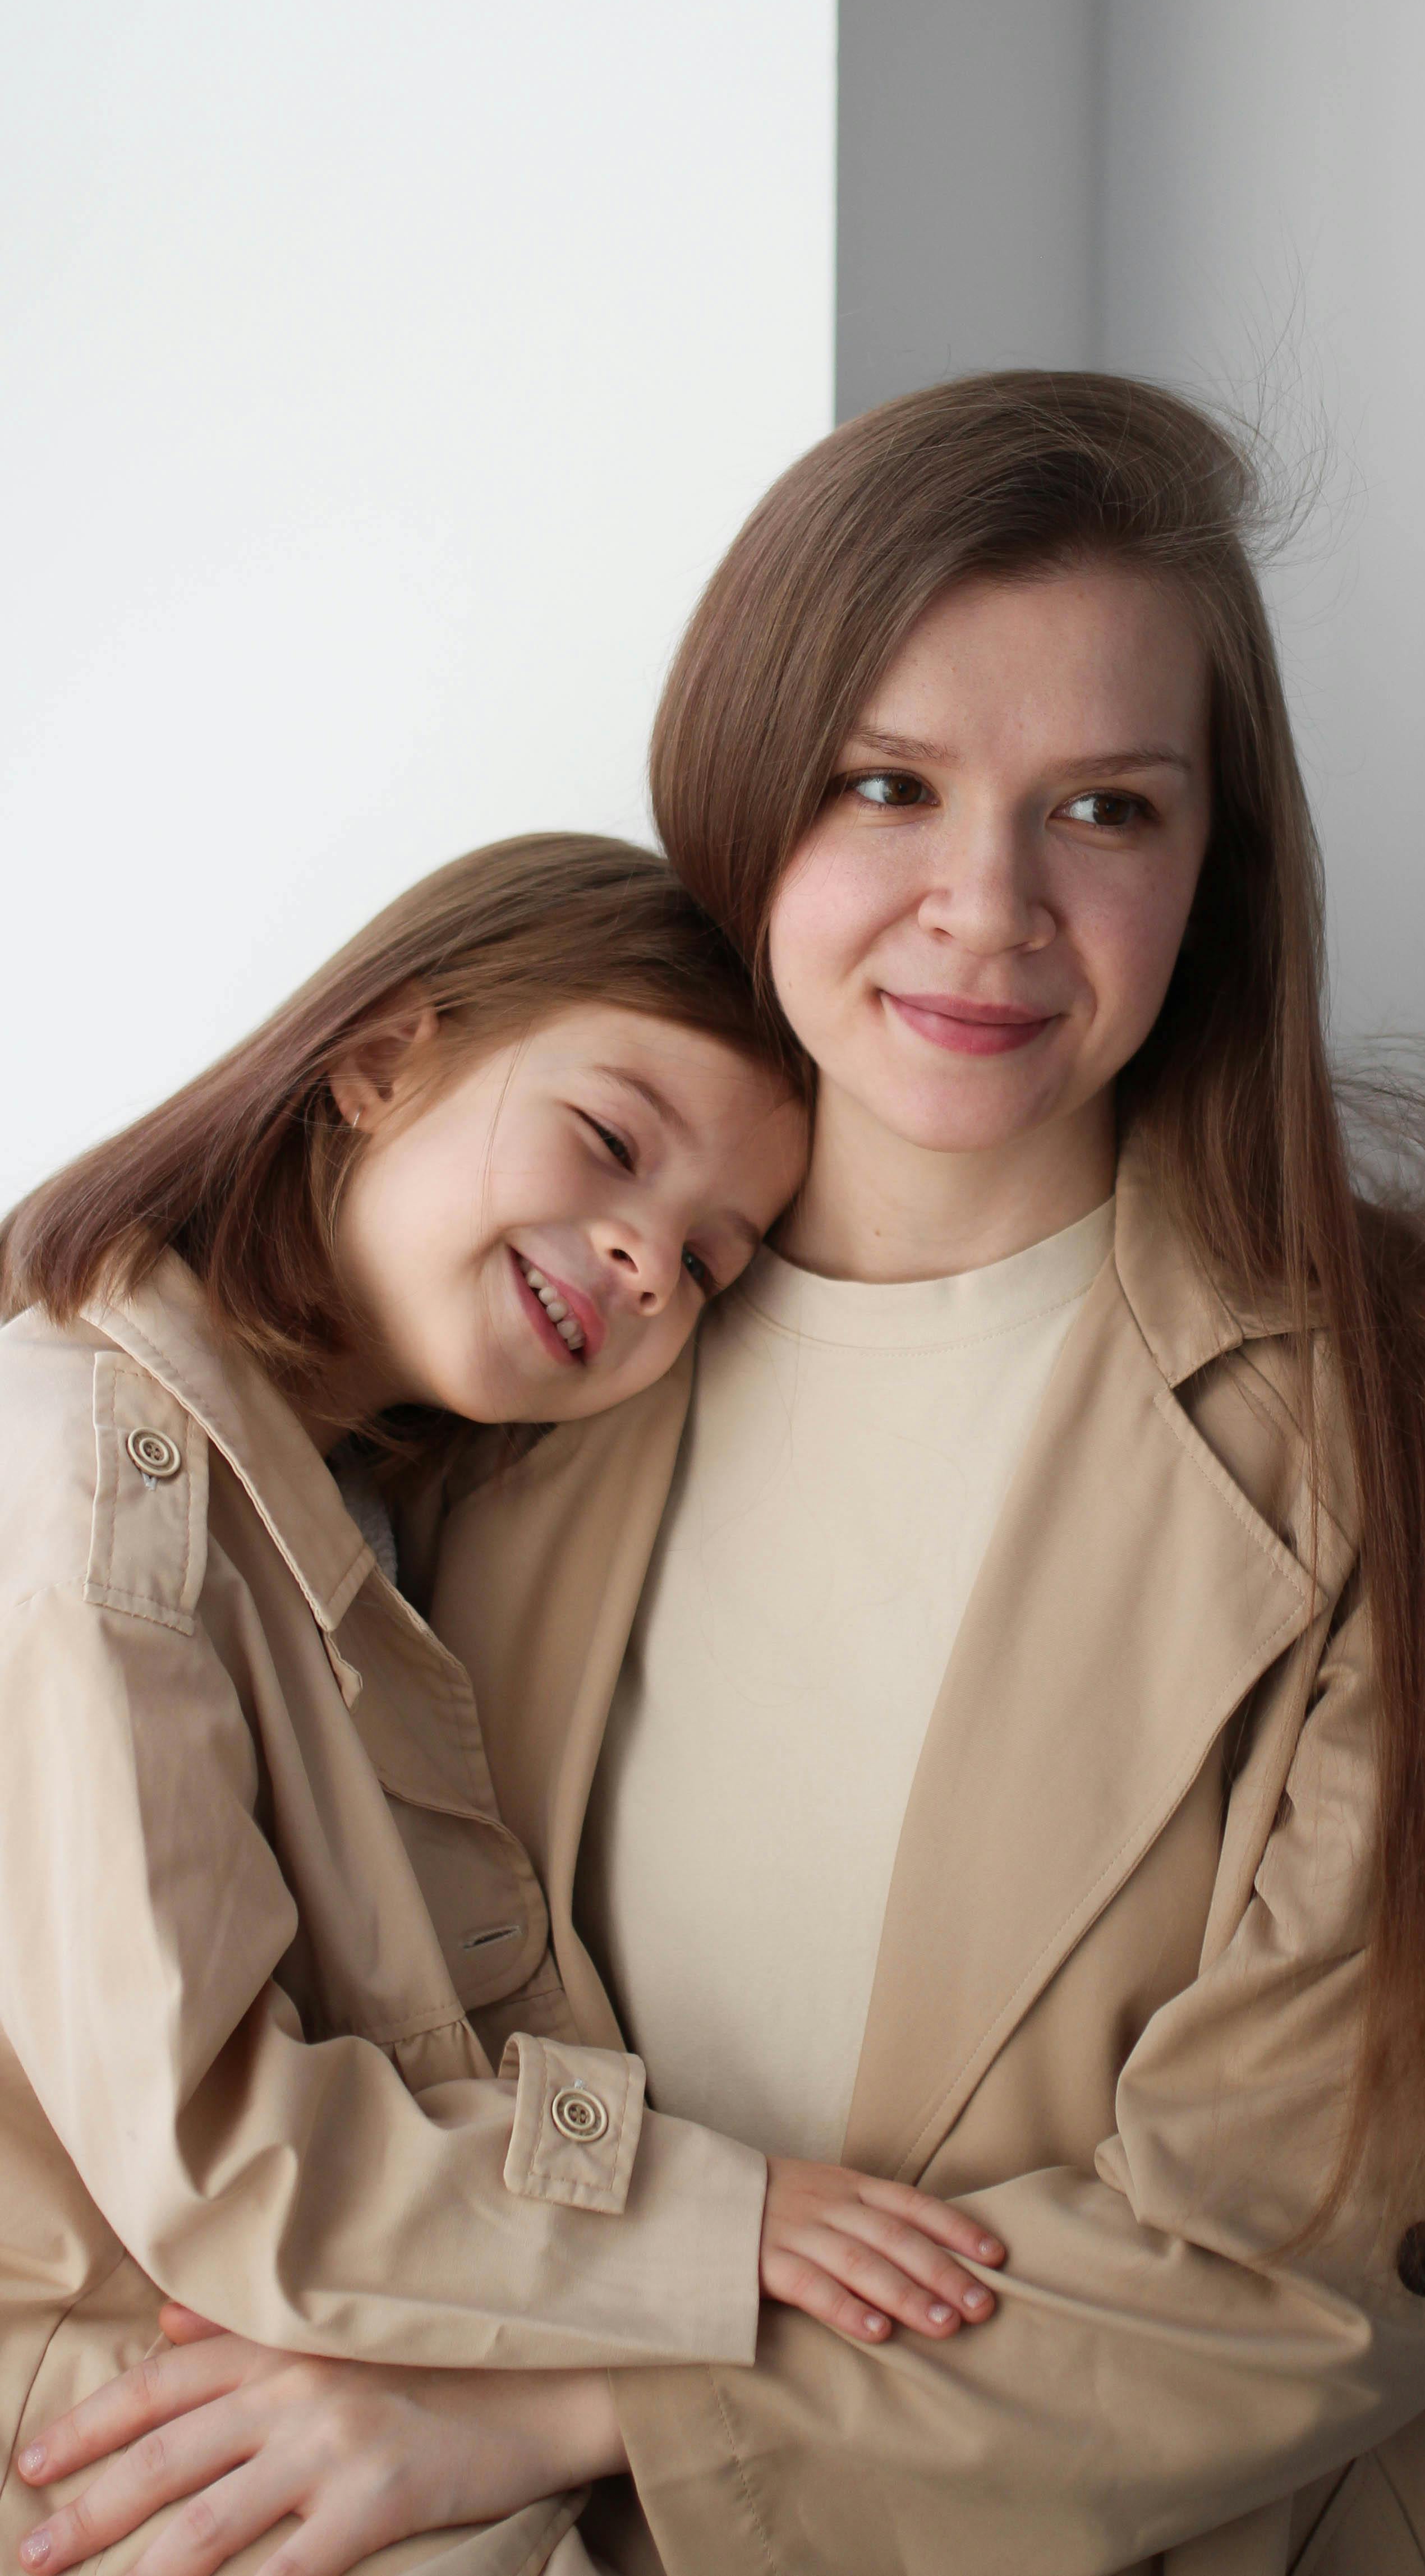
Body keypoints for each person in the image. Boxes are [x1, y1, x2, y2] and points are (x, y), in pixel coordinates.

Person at [17, 382, 1425, 2575]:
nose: (981, 908)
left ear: (1215, 872)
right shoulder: (516, 1390)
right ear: (747, 795)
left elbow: (1298, 2258)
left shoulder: (1395, 1409)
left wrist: (581, 2415)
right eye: (887, 785)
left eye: (1102, 807)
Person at [0, 834, 1015, 2576]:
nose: (644, 1259)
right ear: (387, 1056)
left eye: (711, 1259)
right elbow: (223, 2150)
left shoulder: (374, 1512)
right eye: (613, 1141)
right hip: (154, 2465)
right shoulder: (101, 1479)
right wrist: (720, 2211)